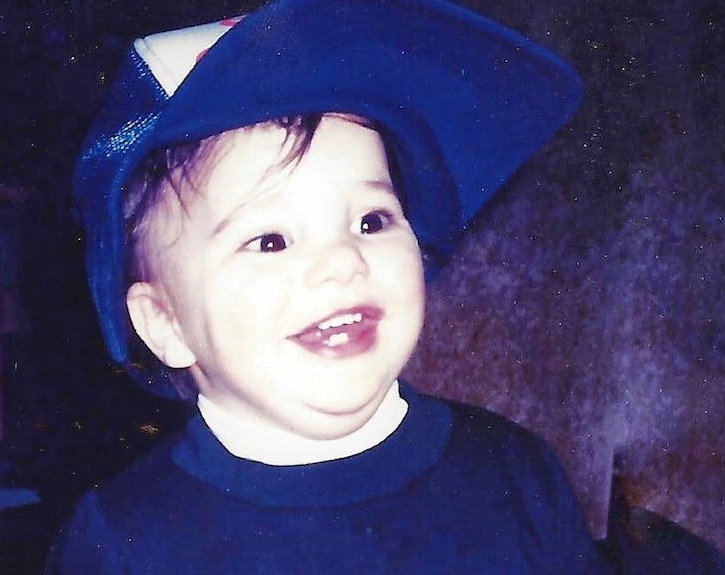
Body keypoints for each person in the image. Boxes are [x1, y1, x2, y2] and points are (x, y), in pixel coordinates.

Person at [47, 0, 612, 572]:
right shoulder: (122, 539)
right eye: (271, 240)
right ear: (165, 323)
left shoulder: (516, 473)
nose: (343, 261)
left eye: (371, 221)